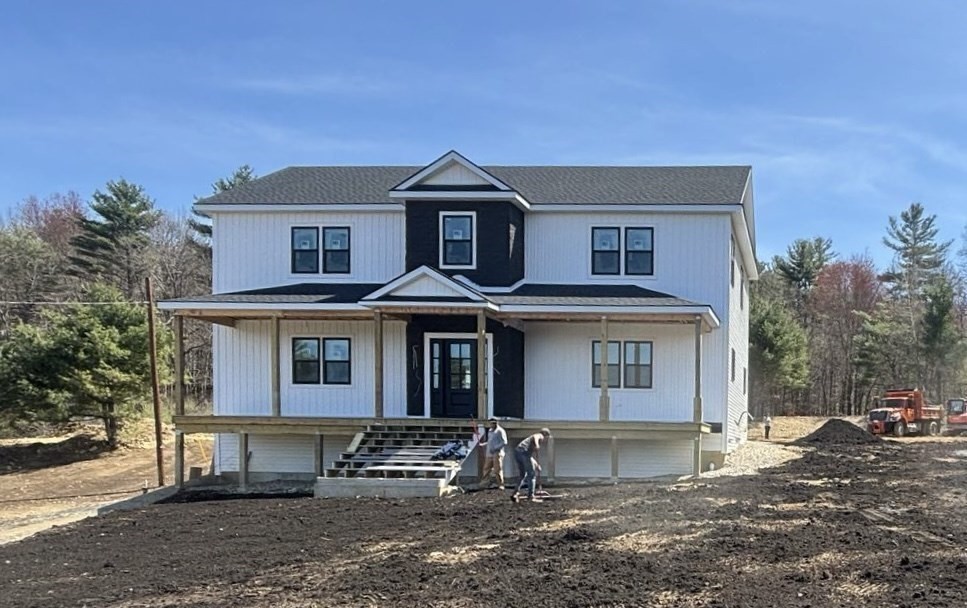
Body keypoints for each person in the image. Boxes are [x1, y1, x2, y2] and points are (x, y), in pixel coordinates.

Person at [511, 428, 551, 503]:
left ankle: (515, 493)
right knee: (531, 475)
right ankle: (531, 496)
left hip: (518, 452)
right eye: (547, 438)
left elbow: (528, 457)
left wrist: (536, 465)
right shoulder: (540, 436)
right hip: (524, 453)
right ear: (546, 435)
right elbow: (535, 437)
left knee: (523, 474)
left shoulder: (527, 442)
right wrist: (537, 445)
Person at [481, 418, 507, 489]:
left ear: (496, 423)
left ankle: (500, 484)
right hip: (489, 453)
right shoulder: (490, 431)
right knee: (486, 468)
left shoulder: (500, 431)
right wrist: (484, 444)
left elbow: (504, 442)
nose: (492, 424)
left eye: (493, 423)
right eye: (491, 423)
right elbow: (490, 441)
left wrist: (495, 448)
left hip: (497, 453)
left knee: (497, 470)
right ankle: (484, 483)